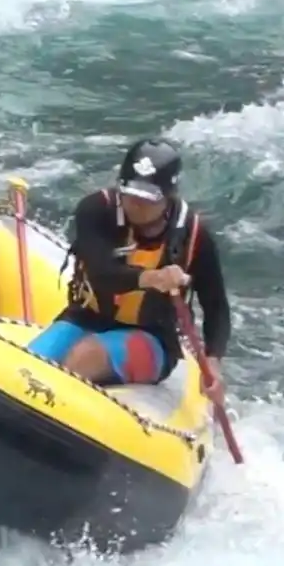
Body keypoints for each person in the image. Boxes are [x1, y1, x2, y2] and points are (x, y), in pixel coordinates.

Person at [27, 137, 230, 401]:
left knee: (84, 357)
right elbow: (101, 274)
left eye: (147, 198)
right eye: (130, 193)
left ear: (168, 197)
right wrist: (154, 278)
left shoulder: (194, 235)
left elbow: (216, 306)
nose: (136, 204)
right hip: (86, 318)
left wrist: (213, 362)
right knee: (29, 365)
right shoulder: (96, 210)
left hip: (153, 336)